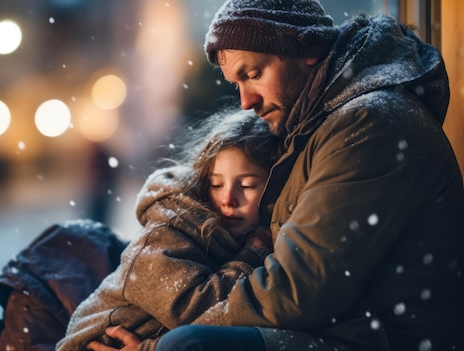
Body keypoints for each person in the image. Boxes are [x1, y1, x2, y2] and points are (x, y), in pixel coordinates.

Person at [87, 0, 464, 350]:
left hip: (382, 338)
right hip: (349, 326)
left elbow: (295, 293)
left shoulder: (368, 125)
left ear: (308, 52)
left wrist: (157, 345)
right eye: (237, 84)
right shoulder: (313, 128)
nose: (245, 102)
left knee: (188, 346)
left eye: (253, 74)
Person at [56, 108, 277, 351]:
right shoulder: (169, 231)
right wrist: (252, 255)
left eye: (245, 185)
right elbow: (198, 313)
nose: (227, 199)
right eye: (216, 184)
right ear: (203, 183)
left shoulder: (230, 235)